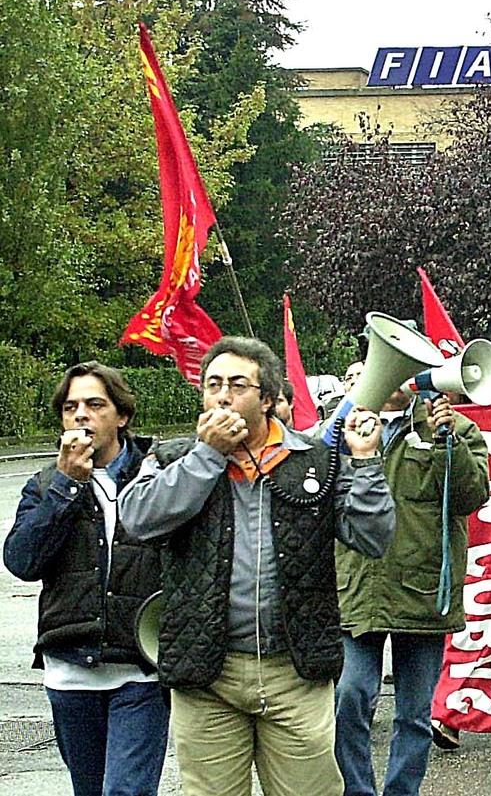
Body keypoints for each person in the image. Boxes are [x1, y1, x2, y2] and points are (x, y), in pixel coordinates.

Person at [119, 336, 395, 795]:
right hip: (208, 674)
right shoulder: (174, 457)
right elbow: (138, 520)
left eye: (238, 385)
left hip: (296, 672)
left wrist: (364, 463)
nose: (223, 395)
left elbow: (372, 538)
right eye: (213, 384)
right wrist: (207, 456)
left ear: (267, 399)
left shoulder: (314, 459)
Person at [5, 363, 168, 796]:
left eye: (95, 405)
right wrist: (66, 484)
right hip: (70, 669)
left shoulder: (155, 478)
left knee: (126, 791)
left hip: (141, 669)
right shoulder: (45, 486)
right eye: (71, 407)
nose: (81, 415)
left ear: (121, 416)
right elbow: (22, 560)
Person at [333, 381, 490, 795]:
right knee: (350, 696)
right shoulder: (343, 423)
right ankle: (357, 790)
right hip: (357, 584)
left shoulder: (455, 427)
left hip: (421, 587)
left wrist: (445, 442)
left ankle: (402, 791)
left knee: (414, 714)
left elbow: (470, 497)